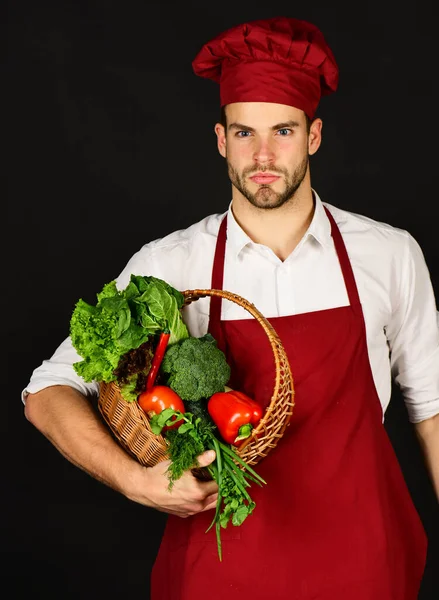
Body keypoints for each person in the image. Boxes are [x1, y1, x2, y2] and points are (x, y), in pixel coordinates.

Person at [23, 16, 438, 600]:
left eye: (284, 131)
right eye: (245, 134)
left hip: (365, 565)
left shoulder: (390, 254)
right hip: (221, 574)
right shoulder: (172, 264)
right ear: (221, 140)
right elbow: (47, 393)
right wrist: (138, 482)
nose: (263, 155)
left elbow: (434, 409)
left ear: (314, 136)